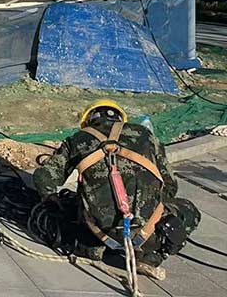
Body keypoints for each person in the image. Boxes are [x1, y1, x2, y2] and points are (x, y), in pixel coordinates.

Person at [33, 99, 201, 280]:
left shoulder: (78, 140)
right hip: (149, 234)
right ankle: (154, 255)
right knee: (189, 210)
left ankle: (96, 251)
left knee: (69, 213)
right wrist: (154, 209)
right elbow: (170, 185)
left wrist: (52, 201)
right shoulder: (144, 135)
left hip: (98, 235)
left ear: (88, 121)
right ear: (122, 119)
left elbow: (44, 177)